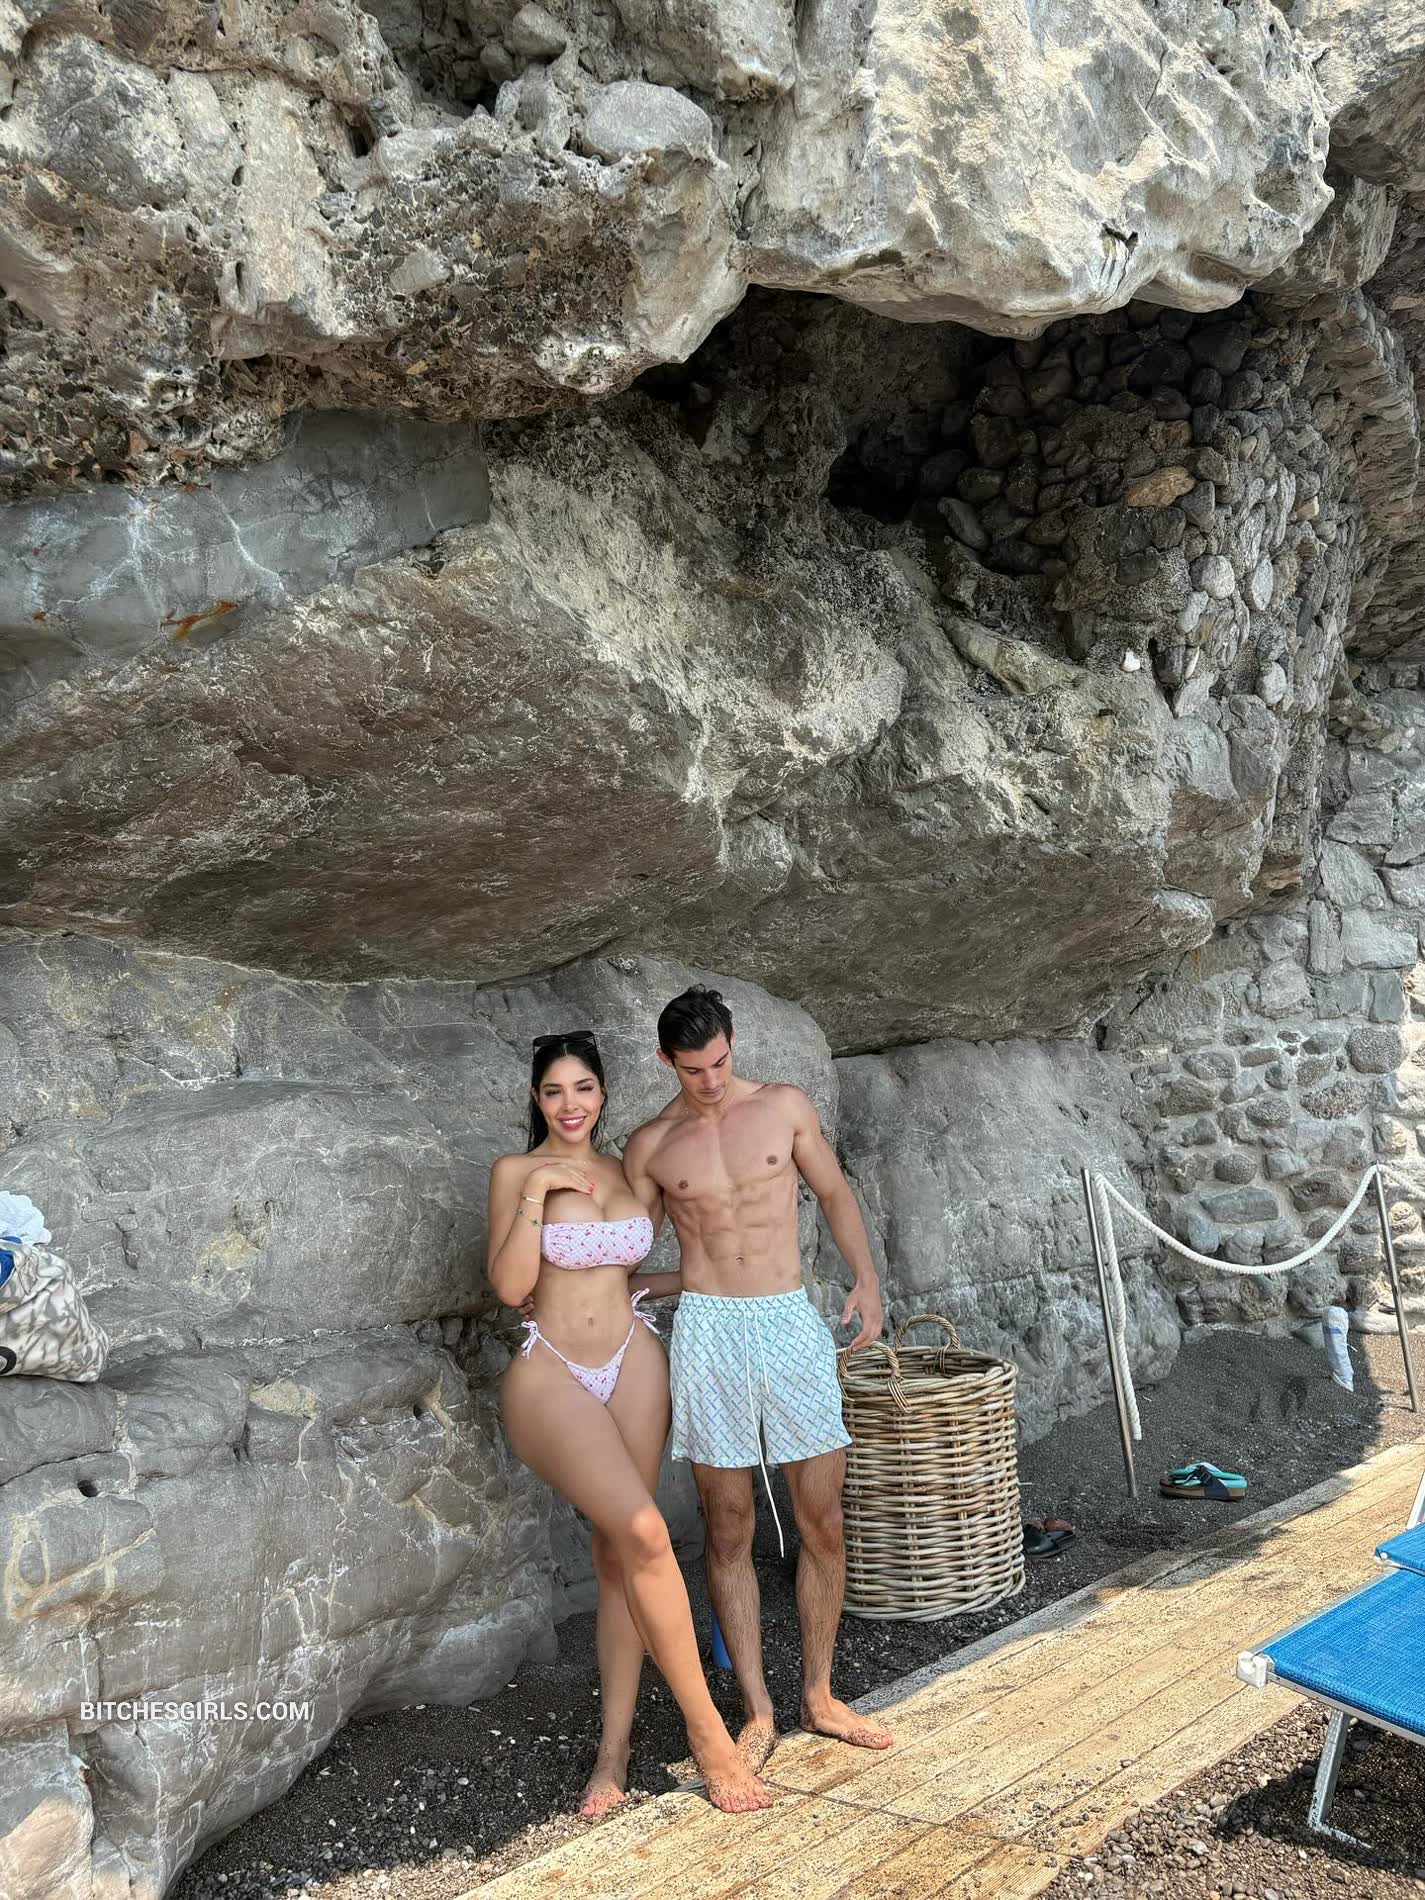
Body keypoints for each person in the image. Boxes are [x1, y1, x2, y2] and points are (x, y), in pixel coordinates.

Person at [488, 1029, 773, 1818]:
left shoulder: (626, 1170)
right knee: (646, 1533)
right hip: (553, 1368)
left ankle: (611, 1753)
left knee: (620, 1556)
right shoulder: (515, 1172)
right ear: (536, 1099)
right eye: (553, 1091)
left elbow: (629, 1270)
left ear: (603, 1093)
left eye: (582, 1088)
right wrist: (537, 1195)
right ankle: (708, 1736)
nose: (569, 1104)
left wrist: (706, 1273)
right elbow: (510, 1285)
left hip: (633, 1358)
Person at [622, 987, 894, 1772]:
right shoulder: (651, 1146)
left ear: (732, 1044)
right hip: (708, 1330)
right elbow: (626, 1251)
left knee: (823, 1519)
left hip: (785, 1317)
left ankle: (819, 1695)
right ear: (666, 1062)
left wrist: (865, 1279)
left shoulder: (783, 1108)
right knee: (729, 1526)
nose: (709, 1081)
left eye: (718, 1062)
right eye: (692, 1069)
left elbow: (832, 1191)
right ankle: (758, 1710)